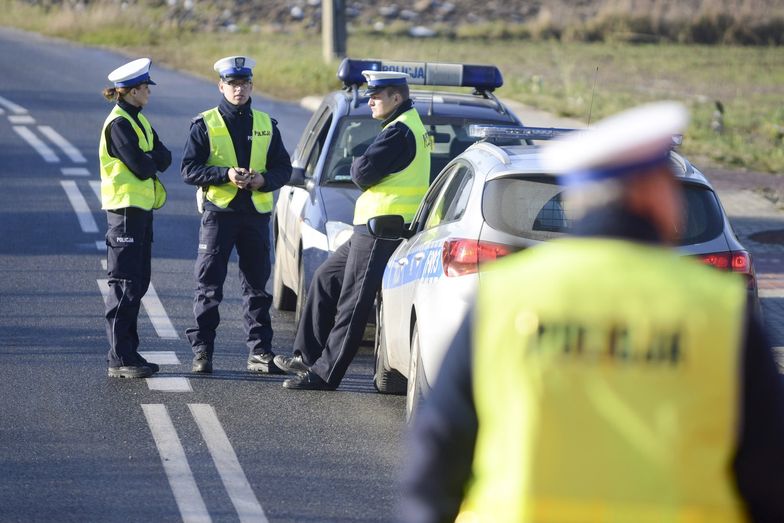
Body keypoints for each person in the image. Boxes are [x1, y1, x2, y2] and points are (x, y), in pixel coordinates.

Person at [399, 102, 784, 522]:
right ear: (651, 190)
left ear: (580, 198)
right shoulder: (717, 312)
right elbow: (767, 471)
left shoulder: (507, 297)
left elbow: (438, 458)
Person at [274, 70, 431, 390]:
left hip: (382, 230)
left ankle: (325, 374)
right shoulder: (401, 125)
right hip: (369, 228)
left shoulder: (399, 132)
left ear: (396, 98)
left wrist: (358, 161)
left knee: (353, 302)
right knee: (325, 279)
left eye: (376, 96)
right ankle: (307, 355)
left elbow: (361, 173)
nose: (370, 101)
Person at [181, 55, 292, 374]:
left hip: (255, 214)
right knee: (209, 285)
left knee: (257, 287)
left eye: (243, 84)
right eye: (232, 84)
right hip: (219, 214)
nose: (238, 90)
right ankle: (202, 350)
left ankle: (260, 352)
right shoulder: (205, 123)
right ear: (221, 86)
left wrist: (263, 180)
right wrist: (225, 174)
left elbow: (283, 167)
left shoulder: (266, 124)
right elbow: (188, 169)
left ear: (251, 86)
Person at [100, 58, 171, 379]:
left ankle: (130, 352)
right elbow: (142, 166)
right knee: (125, 285)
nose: (149, 93)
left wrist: (149, 158)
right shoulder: (119, 125)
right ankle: (119, 358)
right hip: (124, 213)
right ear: (129, 92)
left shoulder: (138, 121)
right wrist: (150, 159)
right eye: (145, 88)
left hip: (140, 213)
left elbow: (165, 157)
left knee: (138, 283)